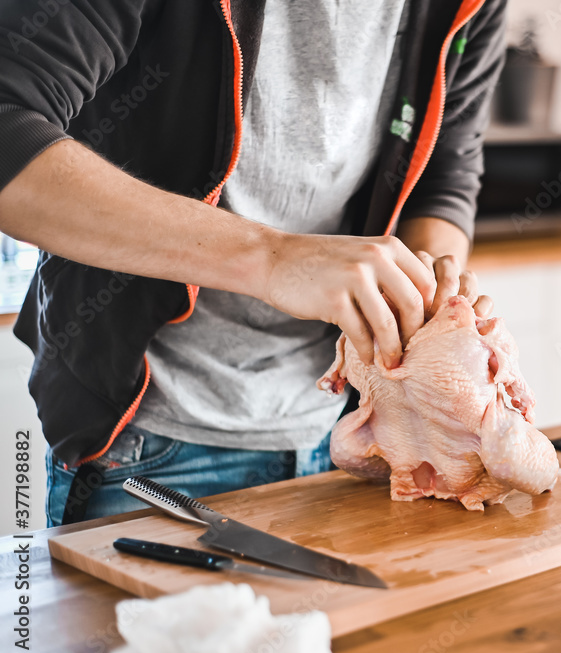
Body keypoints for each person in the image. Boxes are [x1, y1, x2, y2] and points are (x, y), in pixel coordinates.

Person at [0, 0, 506, 525]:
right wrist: (272, 259)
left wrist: (432, 312)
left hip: (357, 436)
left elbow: (445, 178)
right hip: (151, 446)